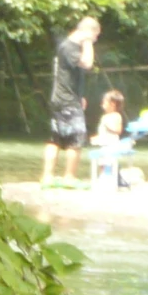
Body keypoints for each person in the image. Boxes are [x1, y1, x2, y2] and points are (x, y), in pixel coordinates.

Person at [41, 16, 100, 186]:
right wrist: (88, 42)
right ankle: (69, 177)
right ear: (88, 31)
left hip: (61, 98)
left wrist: (79, 96)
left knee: (55, 139)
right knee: (76, 139)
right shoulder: (70, 47)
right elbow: (88, 63)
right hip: (67, 100)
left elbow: (70, 74)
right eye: (95, 36)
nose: (95, 40)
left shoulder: (65, 46)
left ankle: (47, 177)